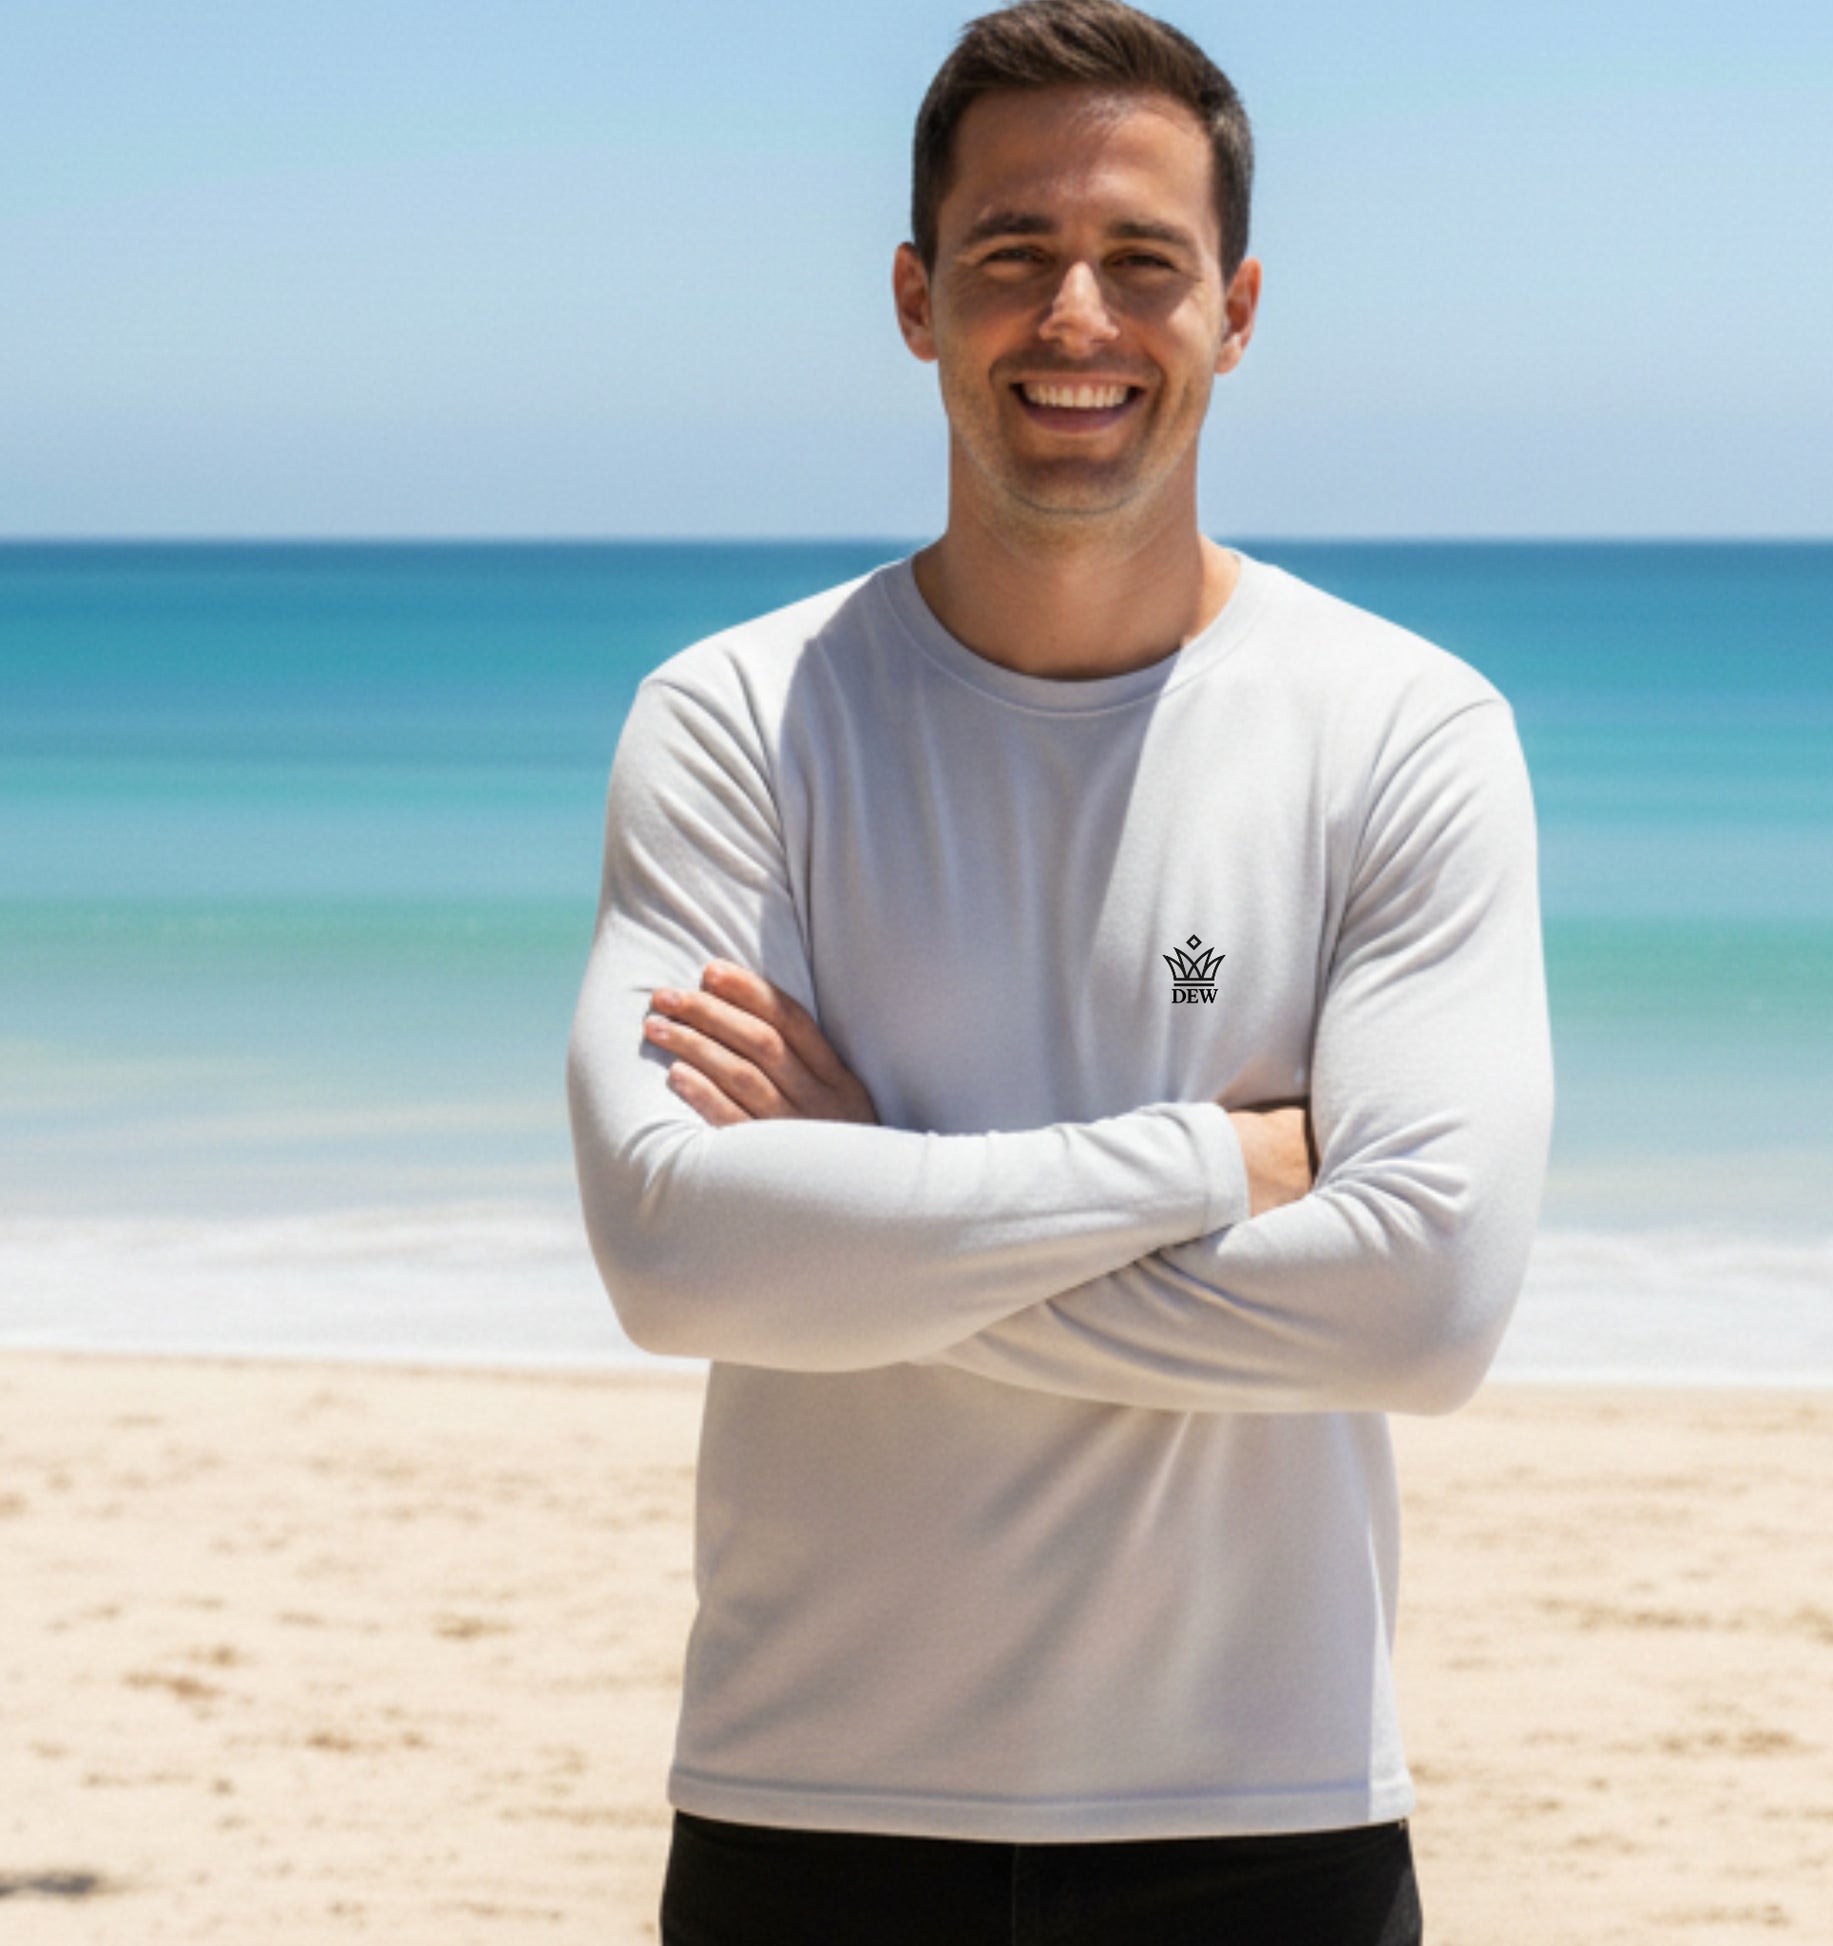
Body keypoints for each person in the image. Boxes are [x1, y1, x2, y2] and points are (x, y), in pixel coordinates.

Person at [566, 1, 1553, 1938]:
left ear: (1235, 312)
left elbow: (1423, 1308)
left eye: (1142, 261)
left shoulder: (1400, 730)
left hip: (1267, 1806)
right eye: (1012, 253)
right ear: (917, 300)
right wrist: (1213, 1161)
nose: (1076, 317)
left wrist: (865, 1223)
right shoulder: (738, 719)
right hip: (805, 1801)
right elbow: (677, 1260)